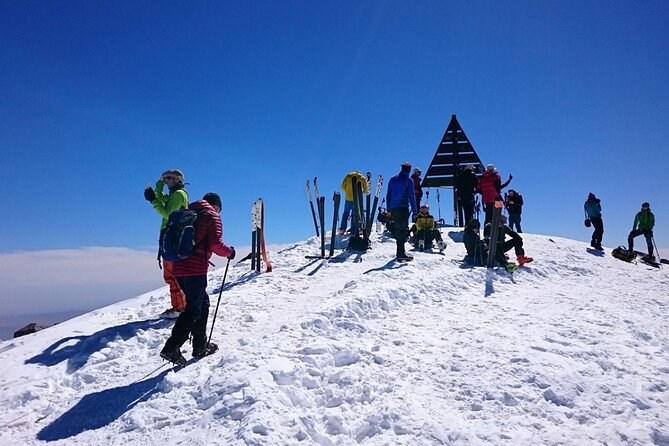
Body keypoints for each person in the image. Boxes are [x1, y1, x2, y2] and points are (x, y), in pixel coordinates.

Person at [160, 193, 236, 365]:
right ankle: (172, 347)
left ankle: (200, 344)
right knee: (194, 309)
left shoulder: (189, 212)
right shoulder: (211, 215)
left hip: (178, 267)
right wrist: (230, 252)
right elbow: (216, 244)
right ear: (216, 205)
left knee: (203, 303)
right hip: (195, 269)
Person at [144, 169, 189, 319]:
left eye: (169, 178)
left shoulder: (177, 195)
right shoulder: (175, 194)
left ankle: (178, 308)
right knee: (173, 274)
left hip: (172, 240)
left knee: (171, 275)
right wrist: (158, 186)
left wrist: (153, 201)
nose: (166, 181)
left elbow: (167, 214)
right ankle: (180, 306)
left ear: (177, 180)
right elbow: (162, 199)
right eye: (165, 178)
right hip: (172, 239)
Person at [386, 162, 418, 261]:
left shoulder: (392, 179)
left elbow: (388, 195)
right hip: (403, 207)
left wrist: (388, 209)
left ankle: (400, 252)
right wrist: (415, 211)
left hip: (394, 208)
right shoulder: (409, 181)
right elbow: (412, 196)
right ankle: (401, 254)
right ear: (409, 170)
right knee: (403, 230)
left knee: (398, 228)